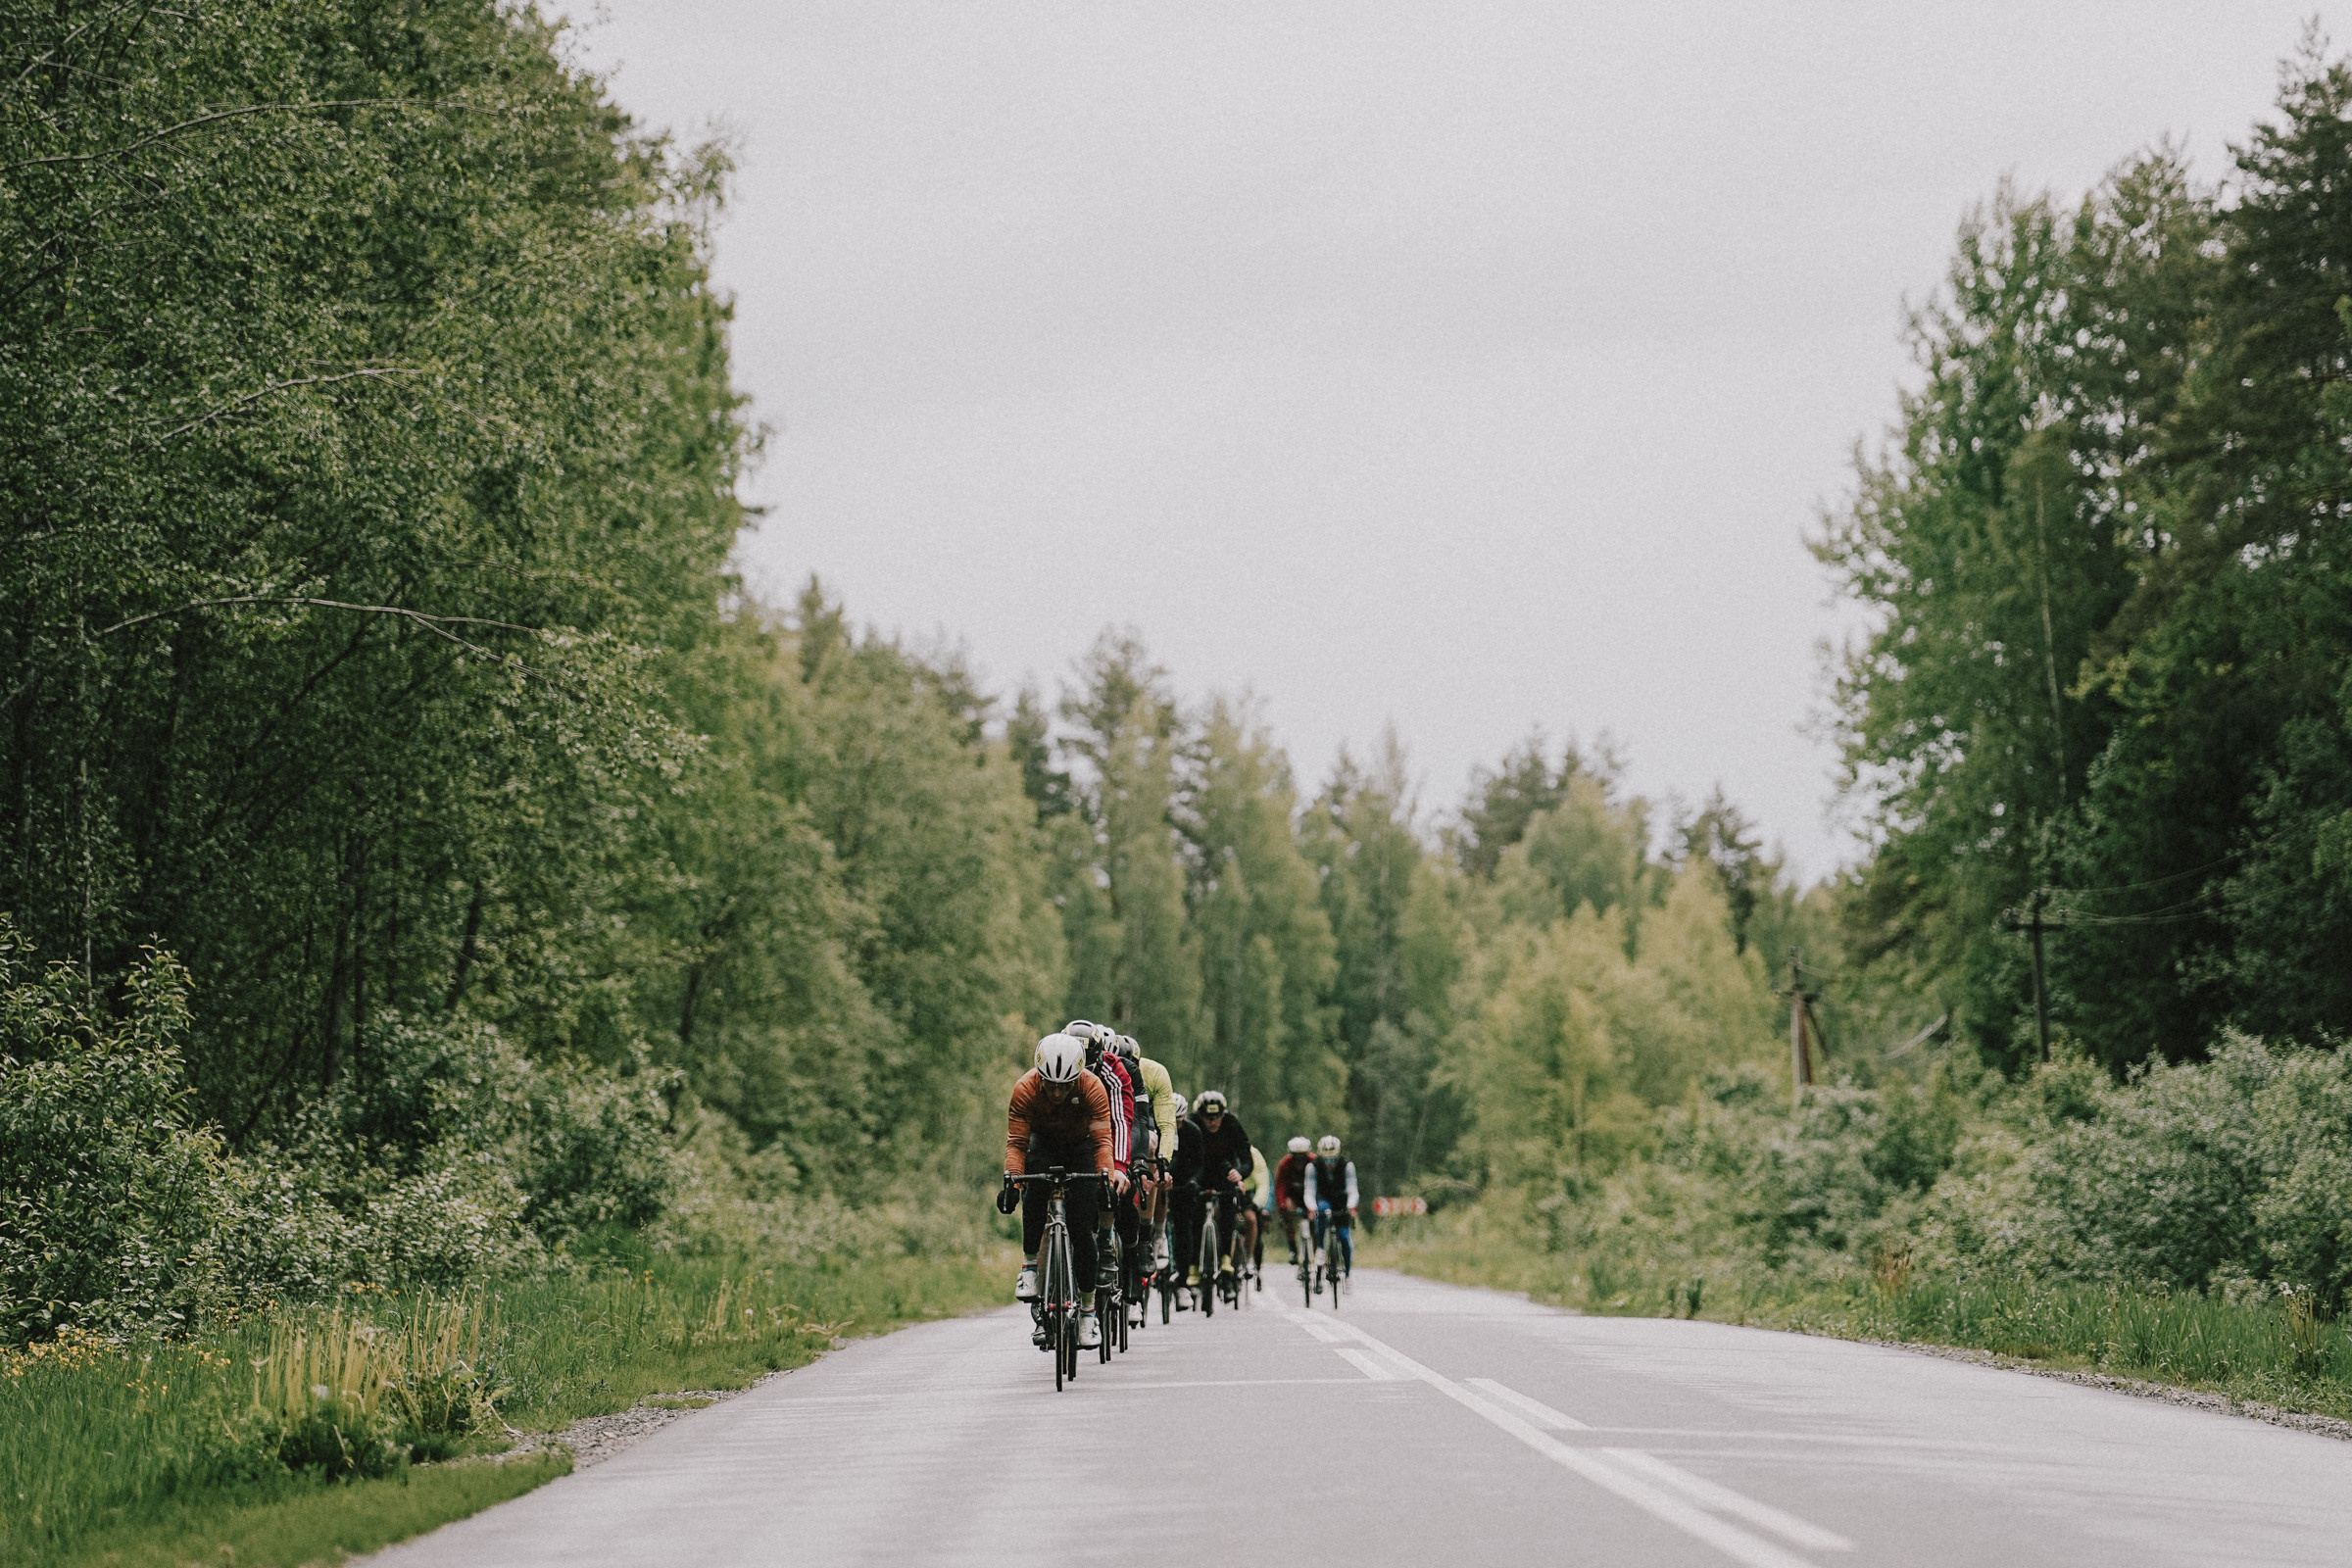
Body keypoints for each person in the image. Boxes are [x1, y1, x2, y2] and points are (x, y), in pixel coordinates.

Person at [1001, 1032, 1123, 1348]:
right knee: (1033, 1193)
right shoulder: (1025, 1088)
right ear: (1039, 1077)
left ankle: (1088, 1313)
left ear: (1077, 1078)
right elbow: (1017, 1143)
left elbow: (1102, 1142)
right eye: (1050, 1085)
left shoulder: (1092, 1088)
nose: (1056, 1092)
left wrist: (1106, 1180)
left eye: (1065, 1086)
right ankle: (1029, 1265)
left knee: (1082, 1230)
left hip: (1081, 1146)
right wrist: (1012, 1181)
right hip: (1043, 1144)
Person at [1071, 1021, 1139, 1298]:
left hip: (1105, 1134)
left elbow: (1121, 1122)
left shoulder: (1115, 1070)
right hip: (1071, 1138)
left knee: (1109, 1186)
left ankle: (1107, 1241)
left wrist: (1119, 1167)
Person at [1116, 1035, 1177, 1267]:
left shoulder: (1155, 1073)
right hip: (1115, 1119)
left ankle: (1146, 1234)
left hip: (1143, 1120)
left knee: (1151, 1142)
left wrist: (1163, 1163)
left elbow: (1166, 1124)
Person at [1187, 1090, 1252, 1284]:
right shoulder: (1192, 1123)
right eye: (1208, 1118)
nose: (1213, 1122)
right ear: (1200, 1115)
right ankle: (1193, 1265)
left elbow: (1247, 1158)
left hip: (1225, 1172)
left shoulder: (1232, 1123)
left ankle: (1226, 1257)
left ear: (1223, 1114)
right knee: (1195, 1216)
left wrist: (1239, 1173)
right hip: (1199, 1172)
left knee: (1228, 1208)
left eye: (1217, 1117)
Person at [1302, 1133, 1357, 1288]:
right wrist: (1311, 1208)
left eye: (1333, 1160)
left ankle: (1348, 1274)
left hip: (1341, 1201)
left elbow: (1352, 1189)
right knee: (1322, 1209)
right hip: (1323, 1199)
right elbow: (1309, 1191)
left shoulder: (1347, 1165)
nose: (1330, 1164)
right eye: (1327, 1160)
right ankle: (1320, 1248)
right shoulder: (1312, 1166)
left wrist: (1351, 1206)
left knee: (1344, 1236)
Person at [1165, 1091, 1204, 1306]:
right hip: (1162, 1180)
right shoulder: (1159, 1128)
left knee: (1183, 1230)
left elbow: (1200, 1163)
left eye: (1179, 1121)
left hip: (1183, 1184)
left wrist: (1193, 1181)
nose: (1176, 1125)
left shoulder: (1193, 1131)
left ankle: (1183, 1282)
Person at [1273, 1136, 1312, 1263]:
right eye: (1296, 1157)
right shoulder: (1284, 1164)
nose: (1299, 1161)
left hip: (1310, 1194)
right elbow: (1280, 1187)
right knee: (1287, 1210)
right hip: (1293, 1195)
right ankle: (1293, 1249)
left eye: (1302, 1157)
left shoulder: (1314, 1161)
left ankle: (1318, 1250)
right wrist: (1282, 1206)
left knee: (1314, 1221)